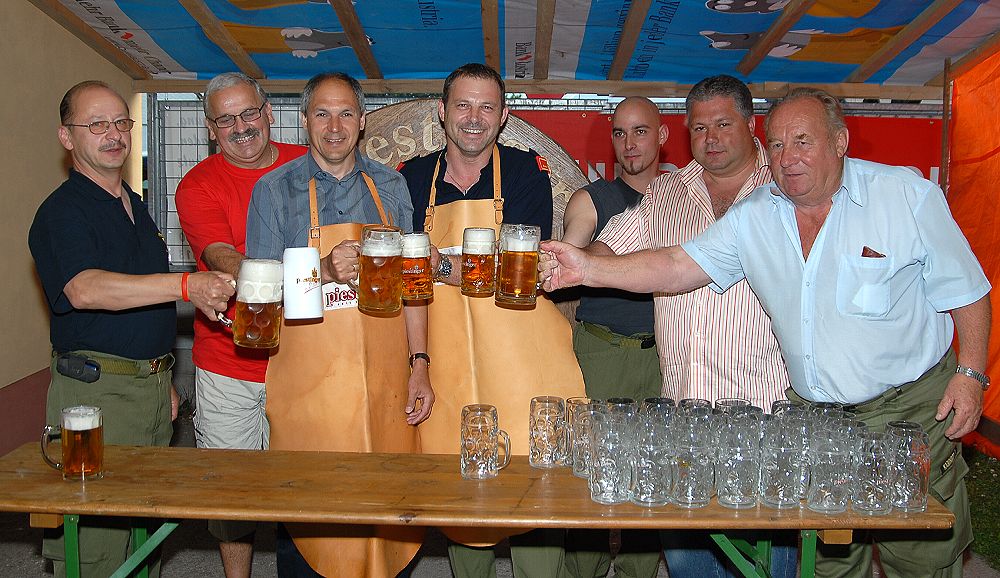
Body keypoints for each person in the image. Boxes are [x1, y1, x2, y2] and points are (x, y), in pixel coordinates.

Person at [541, 87, 990, 578]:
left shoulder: (905, 195)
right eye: (776, 145)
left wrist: (970, 373)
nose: (787, 157)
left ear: (840, 142)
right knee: (830, 562)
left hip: (908, 411)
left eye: (802, 141)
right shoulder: (756, 215)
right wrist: (585, 265)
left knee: (918, 554)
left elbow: (966, 289)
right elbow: (674, 267)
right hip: (813, 418)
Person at [583, 76, 796, 578]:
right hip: (684, 411)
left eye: (723, 124)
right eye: (699, 127)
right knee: (688, 559)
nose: (711, 138)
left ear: (751, 124)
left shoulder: (788, 185)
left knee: (767, 553)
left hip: (766, 410)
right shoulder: (667, 193)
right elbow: (609, 249)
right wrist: (573, 261)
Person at [28, 80, 234, 578]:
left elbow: (144, 300)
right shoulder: (63, 211)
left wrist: (160, 378)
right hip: (95, 397)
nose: (113, 134)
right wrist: (186, 285)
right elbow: (84, 290)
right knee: (96, 545)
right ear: (66, 137)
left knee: (144, 537)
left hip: (147, 389)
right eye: (96, 124)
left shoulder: (134, 204)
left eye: (122, 122)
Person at [398, 63, 585, 578]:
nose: (474, 118)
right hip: (447, 350)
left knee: (537, 474)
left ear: (503, 117)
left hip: (521, 350)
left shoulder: (527, 172)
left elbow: (519, 271)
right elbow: (408, 279)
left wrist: (439, 263)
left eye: (486, 107)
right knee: (463, 483)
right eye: (462, 105)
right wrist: (419, 361)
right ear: (442, 112)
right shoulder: (412, 178)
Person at [245, 72, 434, 578]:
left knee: (389, 505)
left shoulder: (390, 186)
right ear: (305, 120)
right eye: (322, 114)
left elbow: (412, 286)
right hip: (309, 380)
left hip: (383, 377)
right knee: (310, 513)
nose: (335, 126)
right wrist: (322, 269)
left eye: (346, 113)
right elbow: (258, 294)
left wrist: (420, 364)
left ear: (363, 121)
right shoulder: (273, 190)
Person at [175, 72, 307, 578]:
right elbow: (221, 256)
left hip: (304, 357)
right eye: (225, 119)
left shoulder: (307, 163)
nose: (241, 127)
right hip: (228, 363)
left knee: (303, 482)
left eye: (249, 113)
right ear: (211, 129)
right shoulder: (198, 185)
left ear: (270, 112)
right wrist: (299, 271)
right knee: (232, 492)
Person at [559, 96, 665, 578]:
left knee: (649, 474)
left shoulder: (688, 196)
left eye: (640, 131)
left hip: (667, 357)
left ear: (662, 135)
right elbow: (572, 253)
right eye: (620, 133)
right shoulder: (591, 199)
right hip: (600, 351)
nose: (629, 144)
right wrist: (572, 256)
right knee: (589, 474)